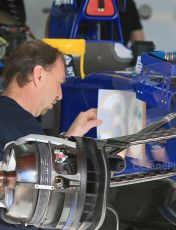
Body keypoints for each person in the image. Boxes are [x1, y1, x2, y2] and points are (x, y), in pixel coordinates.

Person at [0, 40, 102, 228]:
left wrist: (68, 139)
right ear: (38, 75)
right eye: (59, 83)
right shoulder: (26, 134)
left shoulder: (10, 119)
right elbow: (50, 203)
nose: (60, 94)